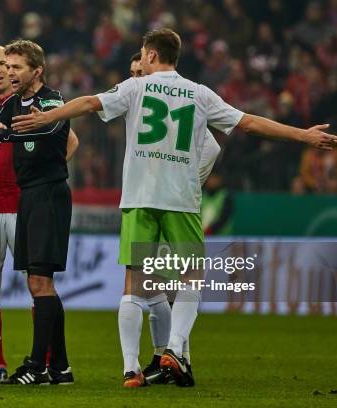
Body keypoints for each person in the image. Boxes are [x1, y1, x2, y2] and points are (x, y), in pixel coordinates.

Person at [9, 28, 337, 387]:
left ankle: (130, 367)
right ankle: (176, 347)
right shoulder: (199, 93)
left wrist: (47, 116)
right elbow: (249, 124)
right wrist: (302, 135)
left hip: (139, 198)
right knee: (190, 279)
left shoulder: (135, 87)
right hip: (181, 199)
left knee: (135, 284)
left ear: (151, 55)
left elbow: (90, 103)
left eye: (142, 52)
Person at [0, 45, 79, 383]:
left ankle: (37, 367)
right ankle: (60, 368)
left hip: (49, 195)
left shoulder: (53, 100)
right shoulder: (11, 102)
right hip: (30, 198)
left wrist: (3, 134)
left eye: (16, 67)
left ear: (36, 70)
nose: (8, 73)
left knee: (39, 282)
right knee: (41, 283)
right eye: (5, 66)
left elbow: (49, 129)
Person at [129, 51, 221, 384]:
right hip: (151, 202)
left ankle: (176, 359)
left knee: (167, 285)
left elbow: (211, 146)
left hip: (171, 204)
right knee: (156, 286)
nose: (135, 78)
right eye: (132, 73)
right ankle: (169, 358)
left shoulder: (168, 104)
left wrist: (187, 182)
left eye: (138, 71)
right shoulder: (139, 103)